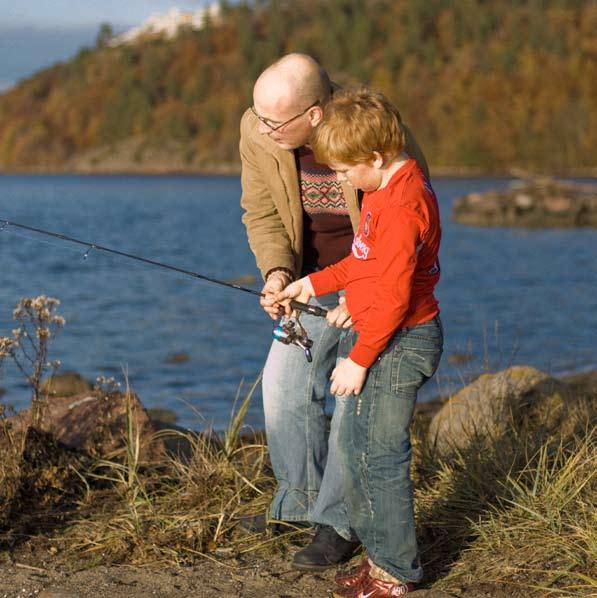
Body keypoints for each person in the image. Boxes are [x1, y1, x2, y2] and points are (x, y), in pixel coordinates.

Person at [239, 53, 429, 570]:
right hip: (312, 282)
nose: (263, 128)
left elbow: (402, 241)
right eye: (258, 116)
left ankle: (339, 522)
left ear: (316, 114)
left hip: (374, 289)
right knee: (283, 388)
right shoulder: (257, 130)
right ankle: (299, 504)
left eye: (275, 121)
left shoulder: (377, 135)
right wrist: (278, 274)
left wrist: (359, 299)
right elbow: (259, 210)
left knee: (351, 399)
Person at [276, 88, 443, 596]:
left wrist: (359, 360)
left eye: (346, 171)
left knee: (380, 456)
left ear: (375, 157)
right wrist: (314, 284)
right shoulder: (380, 191)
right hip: (381, 331)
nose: (342, 180)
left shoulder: (401, 206)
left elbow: (393, 299)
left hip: (399, 340)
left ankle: (395, 574)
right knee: (357, 445)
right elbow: (363, 263)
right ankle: (379, 559)